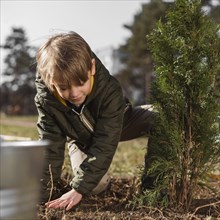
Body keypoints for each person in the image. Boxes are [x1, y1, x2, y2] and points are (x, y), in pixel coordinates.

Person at [35, 32, 156, 211]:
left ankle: (153, 188)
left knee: (162, 117)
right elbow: (50, 147)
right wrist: (43, 195)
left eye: (81, 82)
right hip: (82, 138)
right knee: (95, 185)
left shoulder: (109, 89)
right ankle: (98, 184)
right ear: (51, 82)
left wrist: (78, 188)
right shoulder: (47, 101)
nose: (74, 93)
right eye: (64, 87)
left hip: (121, 123)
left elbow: (105, 143)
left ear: (91, 68)